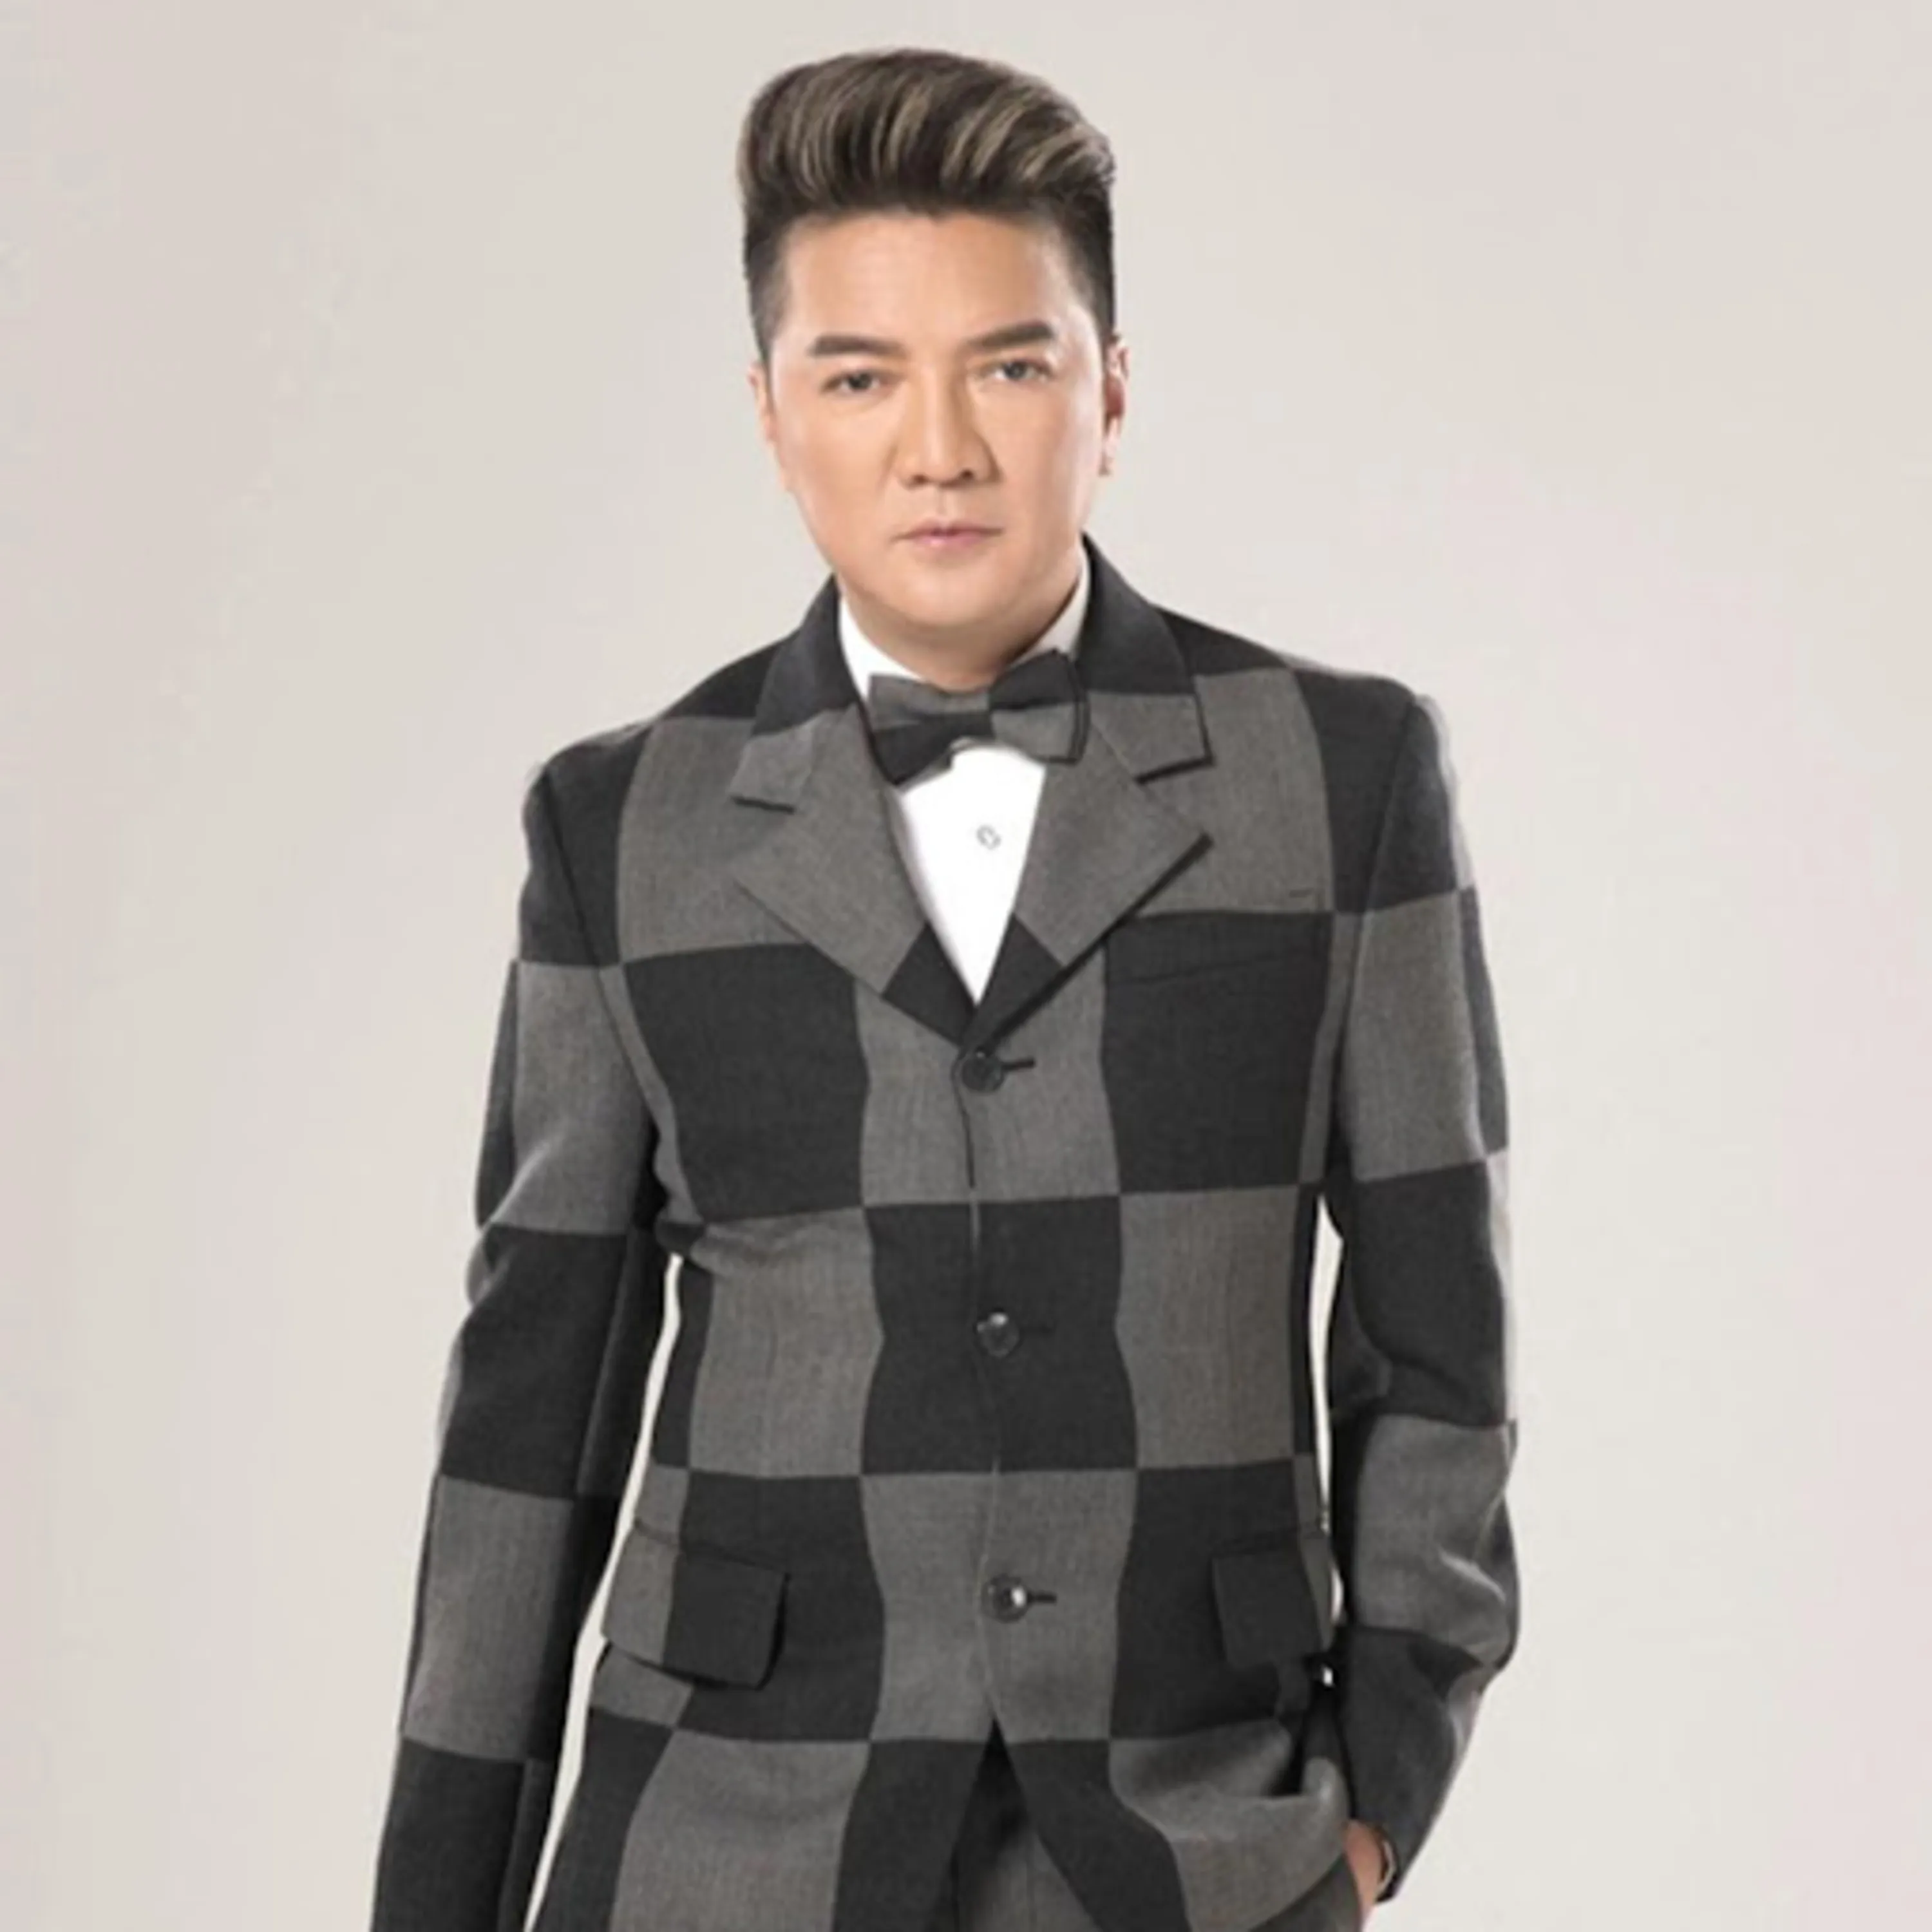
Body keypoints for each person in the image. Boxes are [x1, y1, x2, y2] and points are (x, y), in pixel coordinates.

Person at [370, 44, 1519, 1932]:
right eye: (859, 377)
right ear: (768, 413)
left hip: (1192, 1841)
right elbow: (528, 1420)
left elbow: (1437, 1347)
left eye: (1008, 366)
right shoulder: (625, 824)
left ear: (1111, 389)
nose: (940, 448)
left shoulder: (1341, 777)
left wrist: (1374, 1802)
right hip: (718, 1841)